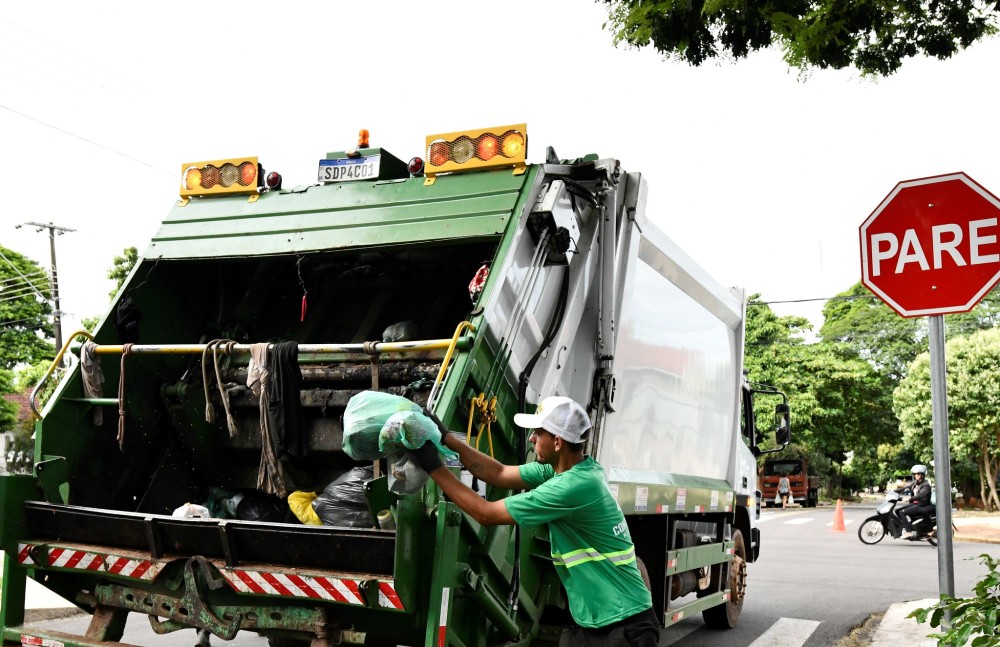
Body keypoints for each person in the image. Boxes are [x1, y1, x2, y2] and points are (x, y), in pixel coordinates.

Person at [409, 396, 660, 646]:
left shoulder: (572, 487)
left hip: (625, 626)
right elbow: (499, 473)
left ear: (558, 442)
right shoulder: (568, 470)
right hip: (597, 623)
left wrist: (433, 466)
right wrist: (445, 437)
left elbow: (485, 513)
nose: (531, 438)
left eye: (538, 433)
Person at [897, 464, 933, 539]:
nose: (916, 475)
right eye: (915, 474)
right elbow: (906, 488)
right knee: (897, 511)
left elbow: (920, 496)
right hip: (915, 504)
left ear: (922, 475)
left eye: (918, 474)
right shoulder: (915, 483)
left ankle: (909, 531)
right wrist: (894, 491)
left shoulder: (926, 486)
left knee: (902, 512)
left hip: (921, 505)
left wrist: (909, 498)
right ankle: (909, 526)